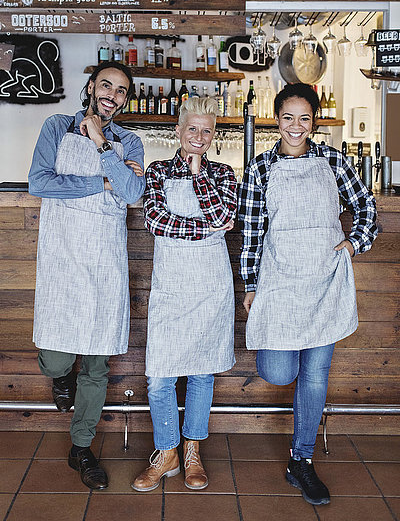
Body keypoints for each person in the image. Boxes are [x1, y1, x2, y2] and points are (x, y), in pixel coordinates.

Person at [238, 83, 377, 506]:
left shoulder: (334, 161)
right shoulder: (259, 168)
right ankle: (304, 407)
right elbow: (250, 232)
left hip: (324, 280)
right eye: (288, 117)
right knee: (279, 371)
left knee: (315, 375)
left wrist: (355, 242)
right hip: (280, 281)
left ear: (314, 121)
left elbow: (367, 207)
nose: (296, 126)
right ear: (275, 119)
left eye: (304, 118)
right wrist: (250, 284)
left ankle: (301, 460)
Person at [28, 61, 145, 490]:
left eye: (121, 90)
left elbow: (133, 194)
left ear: (126, 100)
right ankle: (61, 376)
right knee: (59, 356)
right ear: (92, 87)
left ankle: (82, 447)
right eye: (106, 85)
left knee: (97, 362)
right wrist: (102, 182)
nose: (112, 94)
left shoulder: (128, 141)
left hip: (103, 261)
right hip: (63, 256)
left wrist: (100, 145)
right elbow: (39, 182)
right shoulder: (56, 126)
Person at [132, 96, 237, 492]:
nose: (199, 136)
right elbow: (157, 222)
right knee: (159, 377)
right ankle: (167, 452)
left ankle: (192, 449)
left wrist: (196, 178)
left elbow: (226, 218)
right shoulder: (157, 171)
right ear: (177, 130)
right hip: (172, 286)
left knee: (201, 372)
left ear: (214, 135)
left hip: (210, 286)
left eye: (207, 130)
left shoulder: (224, 174)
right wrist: (205, 227)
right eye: (192, 128)